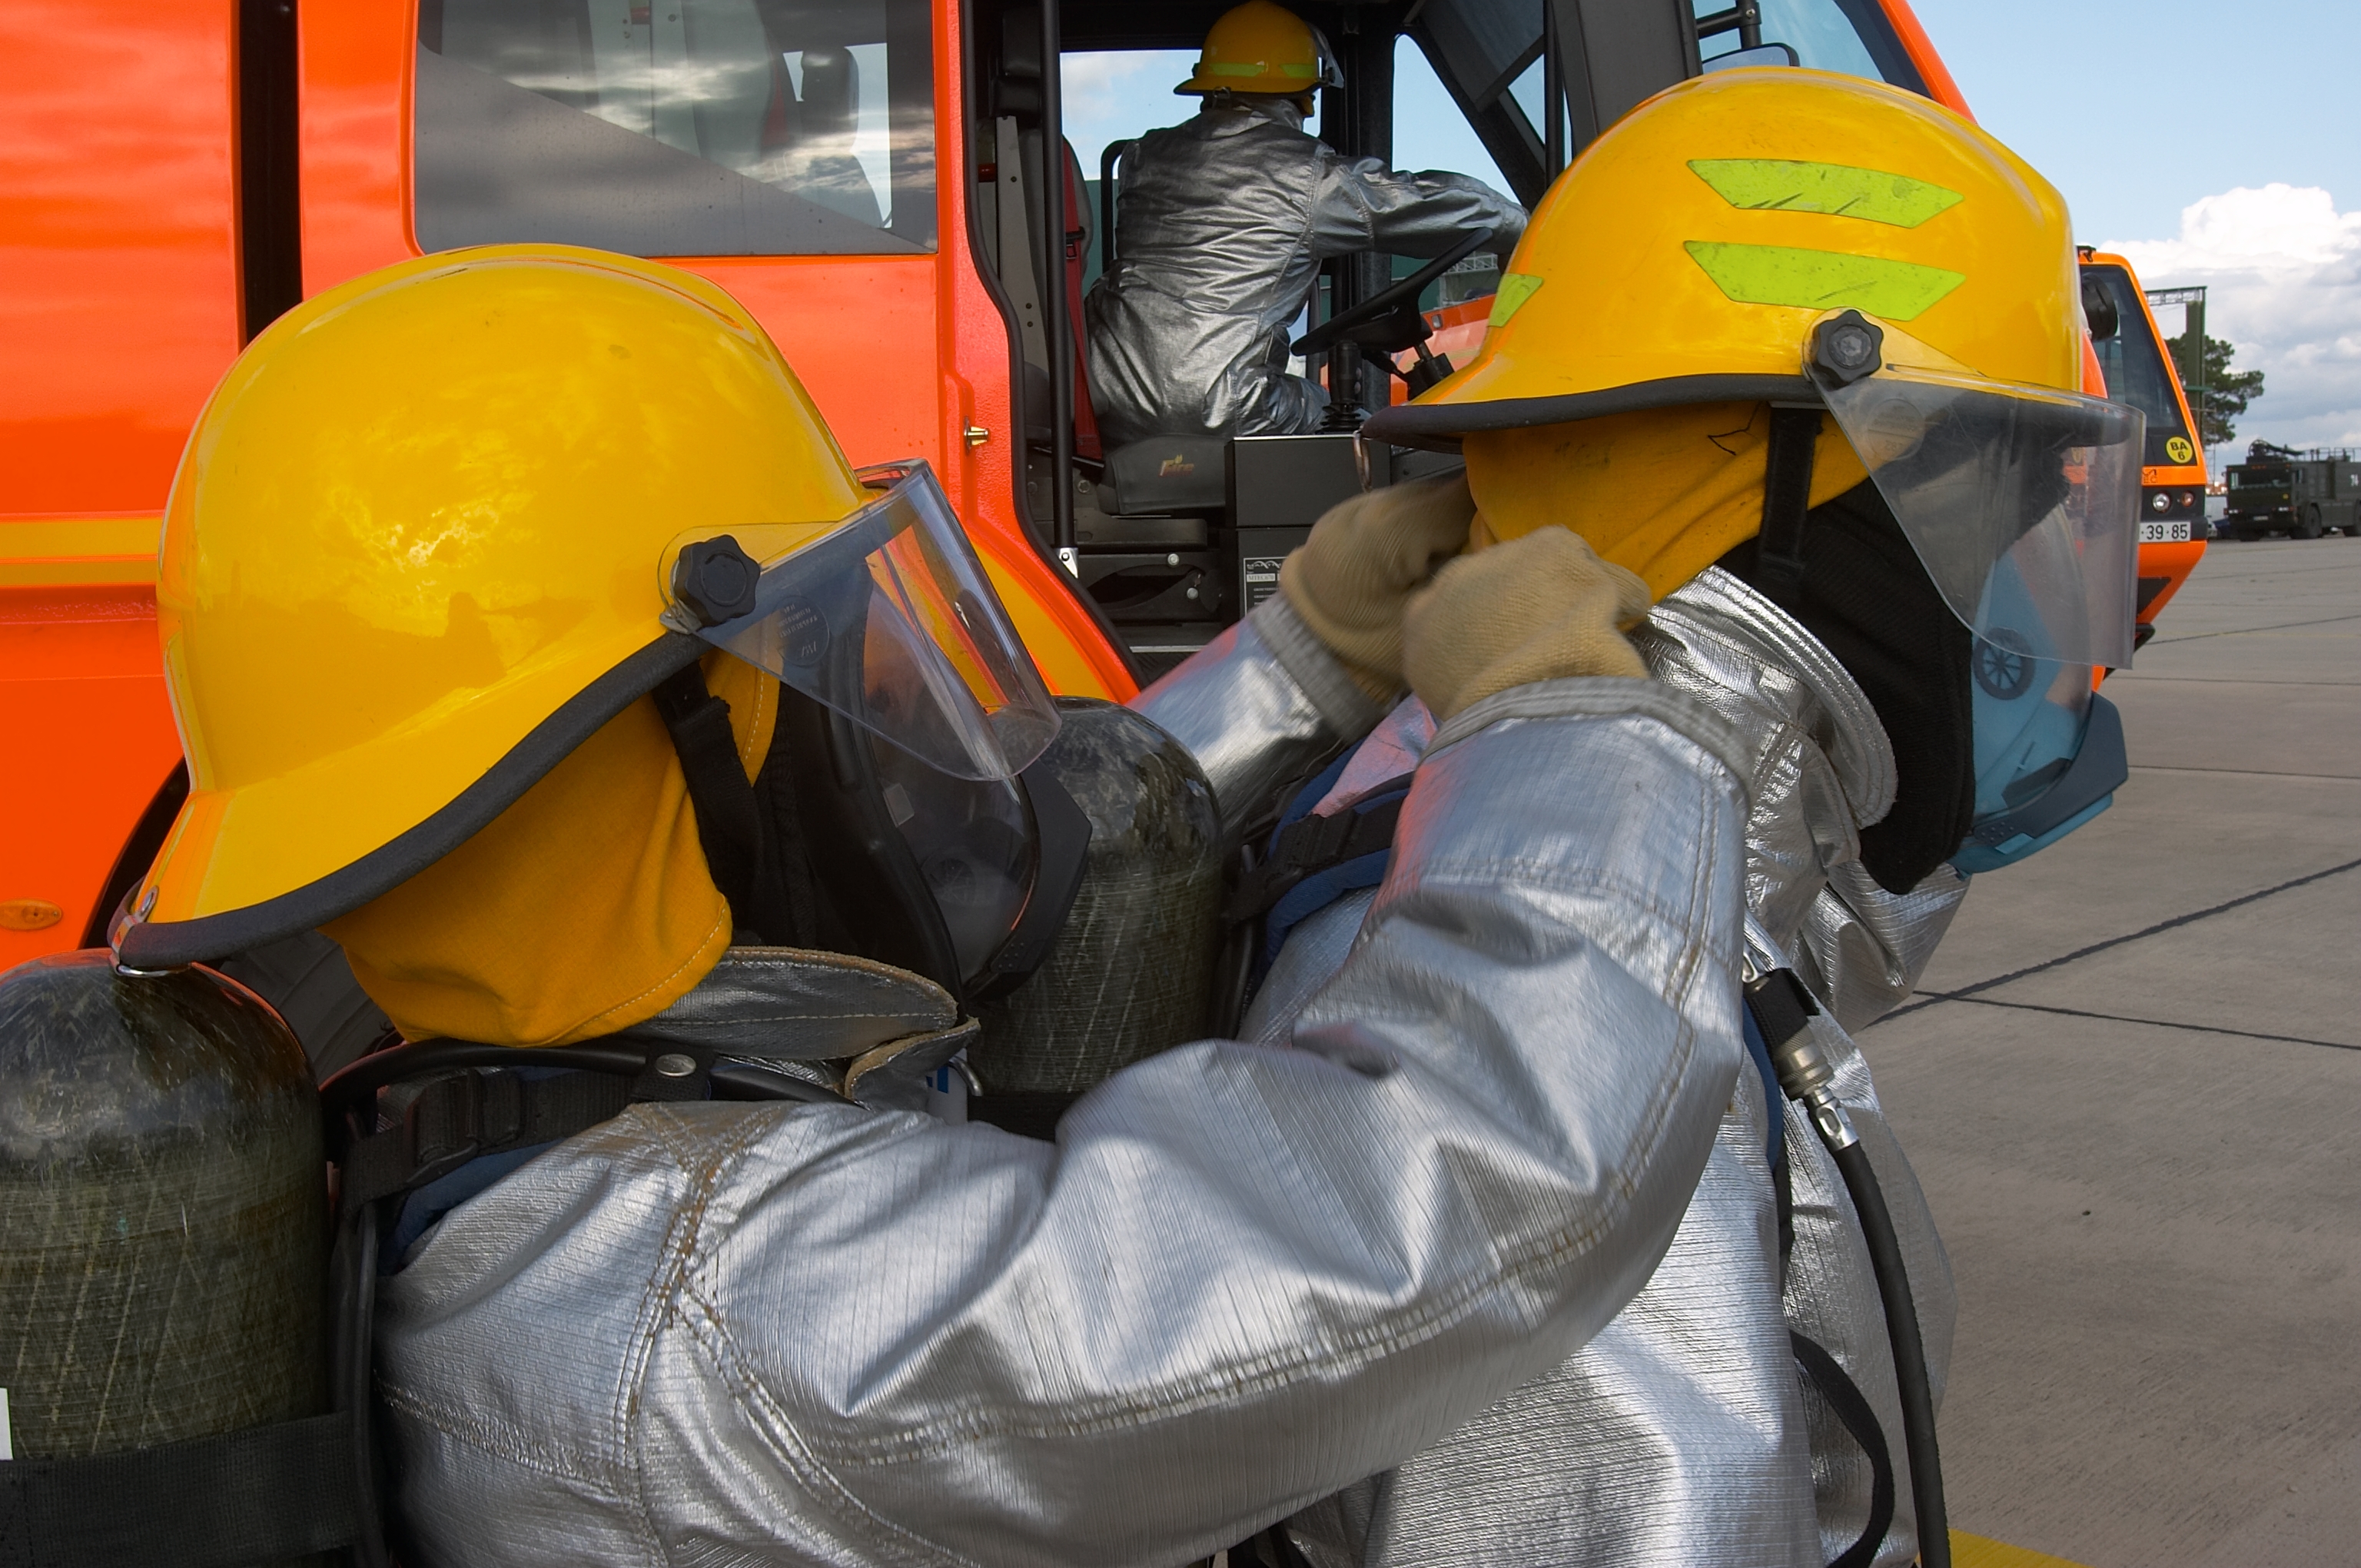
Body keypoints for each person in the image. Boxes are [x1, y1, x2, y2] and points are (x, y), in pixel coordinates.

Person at [114, 241, 1755, 1564]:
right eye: (802, 670)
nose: (857, 726)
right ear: (666, 738)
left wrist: (1307, 659)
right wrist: (1557, 726)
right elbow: (1447, 1207)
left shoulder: (462, 1093)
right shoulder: (728, 1326)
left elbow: (996, 872)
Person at [1240, 64, 2136, 1567]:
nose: (2008, 597)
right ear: (1784, 504)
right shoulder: (1546, 1031)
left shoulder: (1617, 881)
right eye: (1976, 519)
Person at [1082, 0, 1525, 449]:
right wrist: (1517, 221)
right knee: (1368, 436)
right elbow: (1424, 203)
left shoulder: (1144, 157)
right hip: (1225, 406)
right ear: (1303, 95)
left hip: (1108, 397)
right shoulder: (1306, 176)